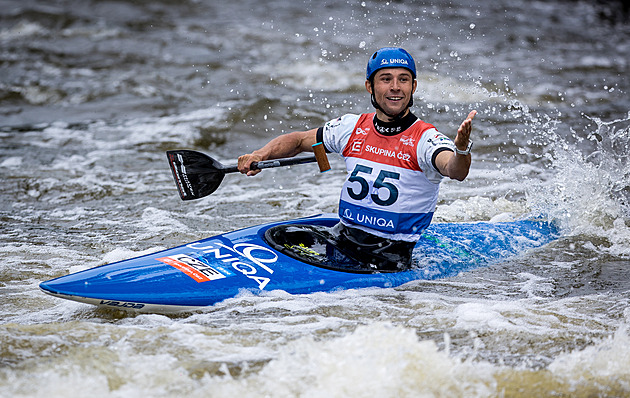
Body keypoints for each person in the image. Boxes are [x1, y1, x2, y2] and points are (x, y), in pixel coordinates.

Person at [238, 47, 477, 270]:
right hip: (342, 236)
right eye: (386, 79)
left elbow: (455, 169)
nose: (395, 87)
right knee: (285, 234)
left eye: (403, 79)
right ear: (369, 86)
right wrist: (260, 154)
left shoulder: (426, 139)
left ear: (413, 87)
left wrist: (462, 150)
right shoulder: (352, 127)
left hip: (387, 255)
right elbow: (299, 141)